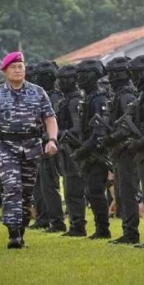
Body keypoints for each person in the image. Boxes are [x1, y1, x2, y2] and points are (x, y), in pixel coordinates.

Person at [0, 52, 58, 249]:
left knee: (27, 193)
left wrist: (52, 139)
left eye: (21, 66)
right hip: (6, 147)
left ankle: (21, 230)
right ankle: (13, 235)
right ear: (4, 71)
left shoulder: (38, 92)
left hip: (31, 147)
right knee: (12, 188)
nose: (18, 70)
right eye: (14, 67)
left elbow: (50, 118)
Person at [101, 56, 141, 245]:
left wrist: (112, 138)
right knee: (121, 192)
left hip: (127, 151)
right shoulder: (120, 95)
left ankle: (131, 232)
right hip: (119, 151)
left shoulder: (126, 96)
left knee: (127, 192)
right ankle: (128, 230)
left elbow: (128, 126)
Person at [71, 60, 112, 239]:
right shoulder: (87, 98)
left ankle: (103, 229)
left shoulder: (98, 99)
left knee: (95, 191)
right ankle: (100, 228)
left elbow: (98, 131)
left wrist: (83, 150)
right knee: (91, 191)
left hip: (97, 153)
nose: (78, 79)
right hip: (88, 151)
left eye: (82, 75)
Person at [32, 61, 67, 233]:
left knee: (50, 185)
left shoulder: (53, 97)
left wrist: (47, 137)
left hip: (50, 145)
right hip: (42, 143)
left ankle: (57, 221)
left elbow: (53, 122)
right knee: (43, 185)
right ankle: (45, 218)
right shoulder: (45, 96)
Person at [55, 65, 88, 237]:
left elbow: (77, 129)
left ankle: (78, 226)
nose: (60, 83)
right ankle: (75, 224)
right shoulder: (66, 99)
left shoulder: (75, 100)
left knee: (74, 190)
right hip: (66, 150)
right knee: (69, 189)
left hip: (73, 150)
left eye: (64, 79)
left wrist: (56, 133)